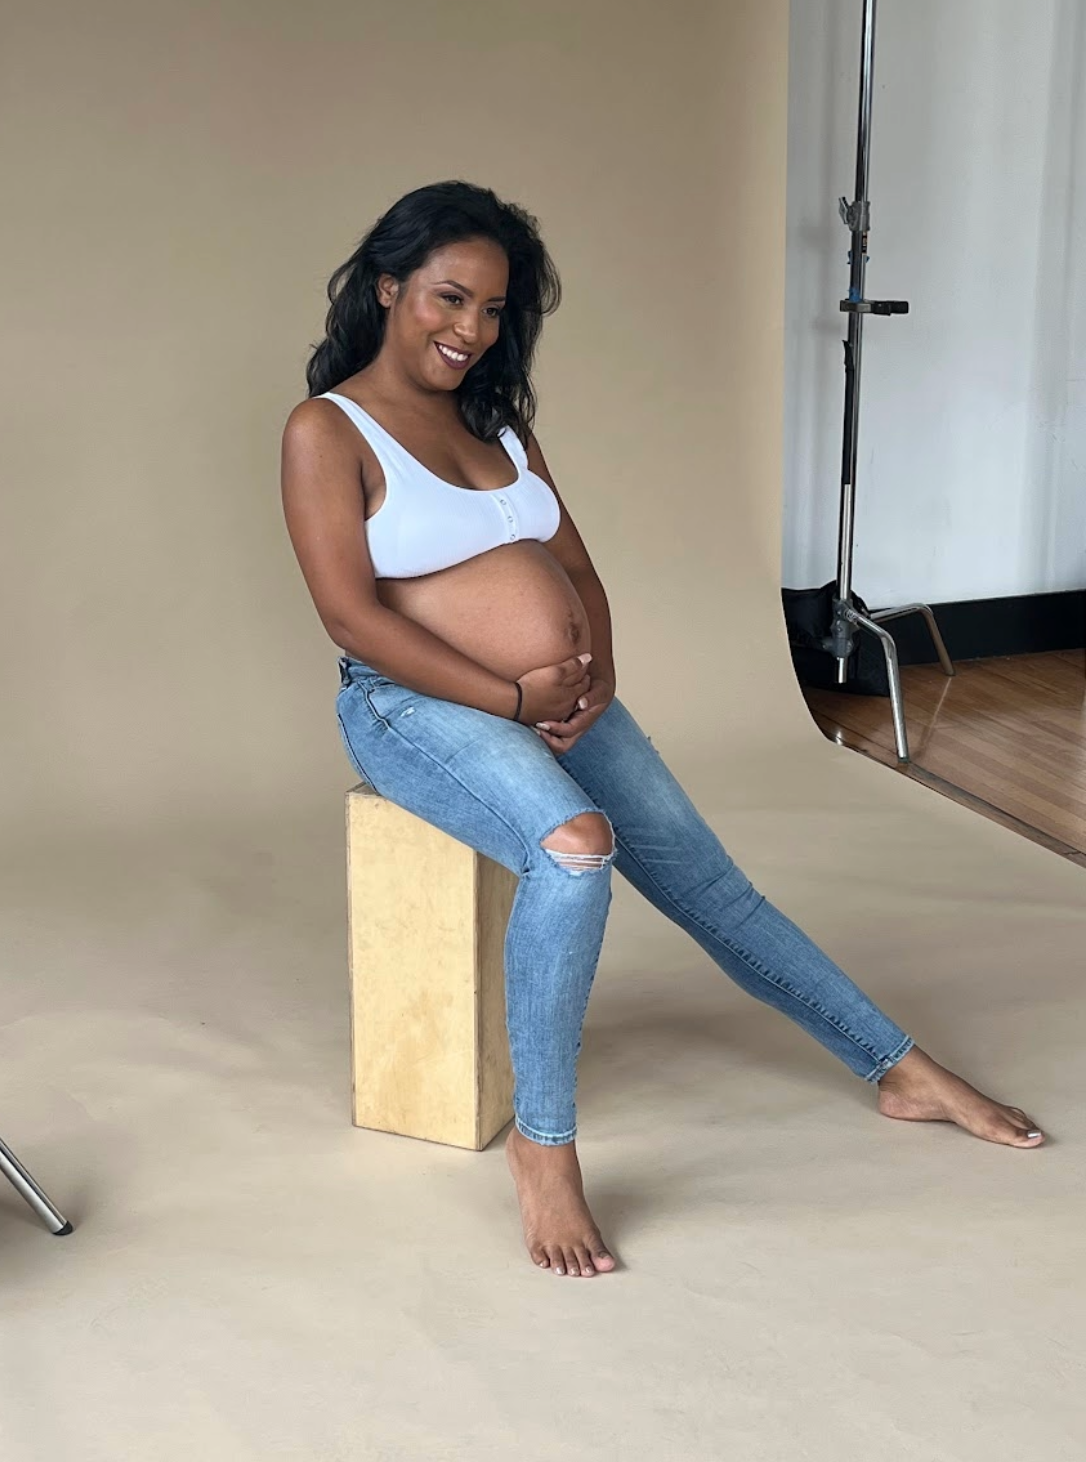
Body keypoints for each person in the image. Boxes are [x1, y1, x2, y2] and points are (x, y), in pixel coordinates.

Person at [280, 180, 1045, 1280]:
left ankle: (897, 1066)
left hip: (557, 700)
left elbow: (573, 564)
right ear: (390, 285)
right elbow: (348, 613)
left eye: (495, 310)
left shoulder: (498, 419)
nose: (471, 330)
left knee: (714, 888)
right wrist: (508, 701)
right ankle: (545, 1154)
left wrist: (596, 671)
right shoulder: (328, 428)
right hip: (410, 708)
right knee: (575, 851)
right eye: (451, 298)